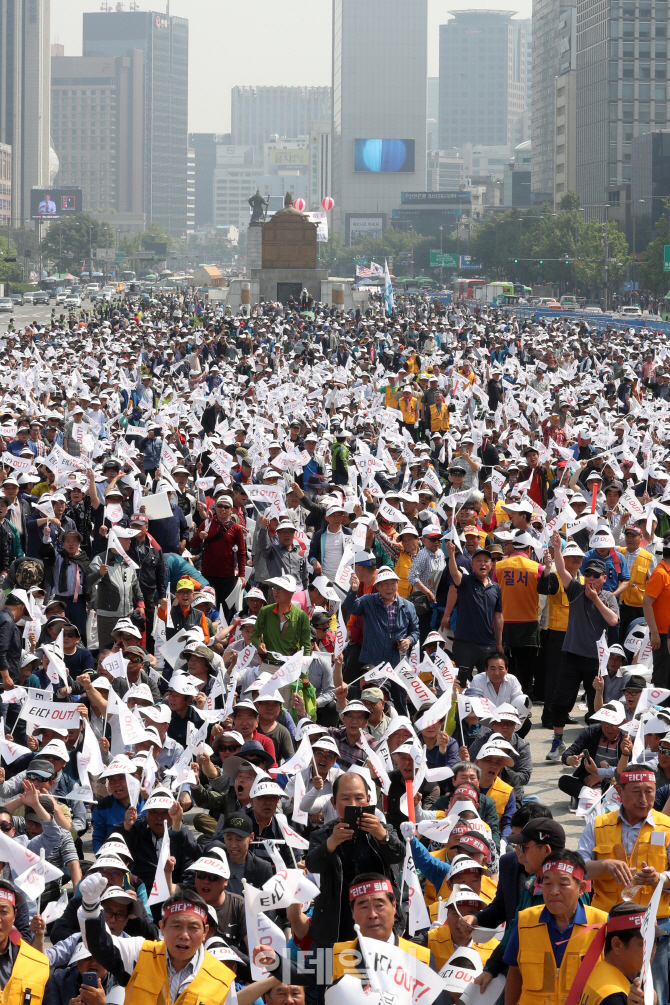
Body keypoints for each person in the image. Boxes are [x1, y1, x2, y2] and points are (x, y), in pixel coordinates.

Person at [577, 767, 670, 1005]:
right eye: (636, 791)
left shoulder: (667, 827)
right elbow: (579, 868)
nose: (644, 799)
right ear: (618, 791)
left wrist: (660, 878)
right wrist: (605, 865)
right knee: (609, 991)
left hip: (654, 929)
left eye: (649, 792)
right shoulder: (597, 825)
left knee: (653, 995)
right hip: (608, 927)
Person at [305, 771, 405, 948]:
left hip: (377, 920)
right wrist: (332, 842)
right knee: (331, 974)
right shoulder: (323, 835)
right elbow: (312, 864)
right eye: (345, 799)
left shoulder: (383, 829)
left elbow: (398, 855)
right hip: (336, 924)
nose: (353, 804)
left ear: (368, 800)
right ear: (334, 803)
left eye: (359, 798)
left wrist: (382, 836)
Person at [548, 532, 619, 761]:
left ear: (602, 578)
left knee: (596, 706)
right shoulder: (576, 591)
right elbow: (561, 570)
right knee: (561, 700)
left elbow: (613, 621)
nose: (590, 578)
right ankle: (558, 741)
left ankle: (596, 745)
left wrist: (596, 598)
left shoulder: (608, 597)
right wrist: (557, 548)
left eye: (595, 575)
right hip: (572, 654)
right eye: (587, 573)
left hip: (596, 660)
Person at [502, 849, 607, 1005]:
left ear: (582, 888)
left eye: (563, 883)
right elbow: (515, 972)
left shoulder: (602, 924)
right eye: (547, 883)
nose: (554, 892)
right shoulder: (525, 921)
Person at [446, 541, 503, 684]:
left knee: (488, 684)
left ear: (491, 565)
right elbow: (454, 573)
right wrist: (451, 555)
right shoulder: (466, 582)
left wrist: (499, 643)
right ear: (472, 565)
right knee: (461, 683)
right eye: (478, 561)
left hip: (487, 645)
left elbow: (498, 616)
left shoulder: (496, 588)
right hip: (465, 644)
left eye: (486, 561)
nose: (482, 564)